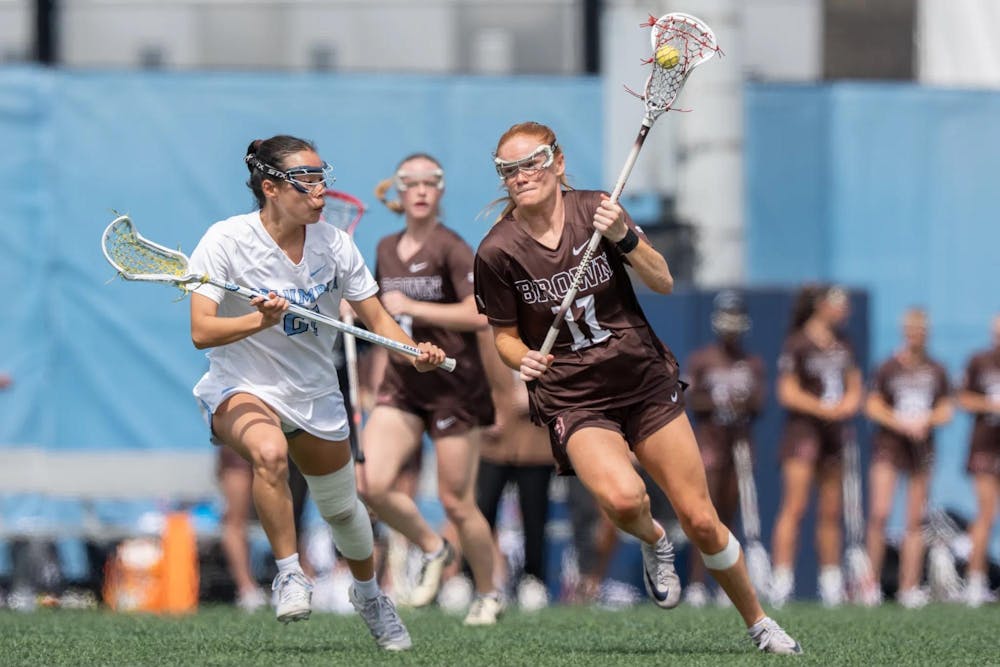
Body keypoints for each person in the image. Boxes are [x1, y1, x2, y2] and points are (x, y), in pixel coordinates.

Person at [473, 121, 800, 654]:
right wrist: (523, 360)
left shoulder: (598, 209)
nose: (521, 176)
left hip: (642, 381)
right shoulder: (497, 251)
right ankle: (653, 539)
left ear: (557, 162)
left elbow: (664, 279)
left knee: (700, 516)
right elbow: (504, 338)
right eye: (508, 170)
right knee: (624, 499)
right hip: (574, 396)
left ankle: (760, 622)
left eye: (531, 162)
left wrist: (623, 235)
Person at [188, 135, 448, 651]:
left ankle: (370, 596)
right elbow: (202, 331)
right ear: (270, 188)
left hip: (313, 394)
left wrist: (413, 350)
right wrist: (257, 321)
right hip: (240, 386)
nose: (320, 190)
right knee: (268, 452)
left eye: (321, 176)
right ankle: (289, 573)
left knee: (344, 512)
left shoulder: (335, 244)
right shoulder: (225, 240)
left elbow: (377, 321)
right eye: (306, 180)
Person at [358, 154, 502, 626]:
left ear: (440, 191)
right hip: (401, 386)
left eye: (430, 182)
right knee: (369, 484)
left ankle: (488, 592)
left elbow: (481, 314)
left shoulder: (452, 247)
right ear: (397, 192)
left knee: (457, 502)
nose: (420, 190)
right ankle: (431, 546)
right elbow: (381, 318)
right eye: (410, 183)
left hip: (454, 389)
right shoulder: (383, 248)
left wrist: (416, 307)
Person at [769, 284, 862, 608]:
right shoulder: (797, 343)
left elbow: (854, 386)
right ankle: (781, 579)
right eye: (838, 303)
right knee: (795, 507)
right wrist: (822, 408)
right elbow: (787, 392)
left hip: (835, 435)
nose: (844, 309)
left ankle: (831, 581)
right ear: (821, 306)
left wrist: (847, 405)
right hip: (803, 433)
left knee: (831, 510)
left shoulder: (844, 344)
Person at [682, 290, 766, 607]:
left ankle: (725, 584)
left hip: (740, 445)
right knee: (706, 514)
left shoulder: (752, 362)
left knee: (730, 514)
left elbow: (759, 402)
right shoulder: (702, 360)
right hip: (710, 442)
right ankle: (697, 583)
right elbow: (692, 399)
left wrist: (741, 402)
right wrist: (719, 401)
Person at [864, 307, 952, 609]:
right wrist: (899, 420)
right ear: (905, 332)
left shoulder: (936, 369)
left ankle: (909, 586)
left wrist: (926, 420)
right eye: (912, 329)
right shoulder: (888, 367)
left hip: (920, 450)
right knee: (880, 512)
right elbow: (873, 405)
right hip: (890, 447)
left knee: (915, 519)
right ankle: (870, 584)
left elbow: (946, 409)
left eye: (921, 329)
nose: (916, 334)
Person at [957, 313, 1000, 607]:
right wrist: (991, 404)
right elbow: (962, 398)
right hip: (985, 444)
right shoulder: (979, 361)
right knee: (986, 512)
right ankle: (974, 580)